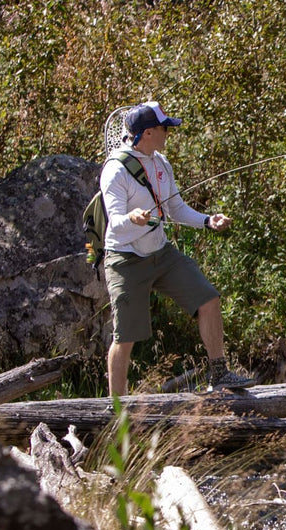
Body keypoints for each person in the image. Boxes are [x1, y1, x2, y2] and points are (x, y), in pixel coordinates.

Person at [100, 101, 254, 396]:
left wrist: (208, 221)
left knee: (208, 299)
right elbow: (116, 223)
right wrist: (133, 217)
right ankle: (116, 408)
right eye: (164, 128)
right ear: (147, 133)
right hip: (125, 259)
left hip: (161, 253)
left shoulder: (161, 163)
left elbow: (176, 209)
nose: (168, 133)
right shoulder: (115, 171)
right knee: (125, 337)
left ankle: (218, 374)